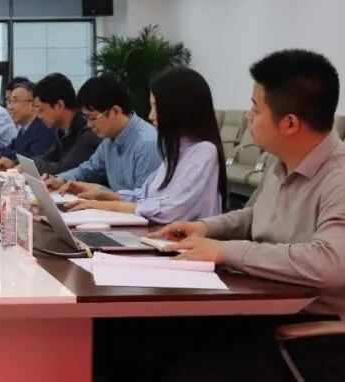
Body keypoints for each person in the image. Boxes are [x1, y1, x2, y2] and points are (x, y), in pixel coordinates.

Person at [97, 50, 345, 382]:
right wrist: (204, 227)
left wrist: (225, 251)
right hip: (262, 304)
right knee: (119, 337)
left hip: (310, 333)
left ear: (289, 124)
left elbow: (330, 263)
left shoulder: (338, 177)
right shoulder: (283, 163)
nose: (248, 117)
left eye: (256, 109)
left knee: (178, 368)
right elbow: (256, 215)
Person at [63, 67, 226, 223]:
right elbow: (146, 195)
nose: (151, 115)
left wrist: (105, 206)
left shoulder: (203, 152)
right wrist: (101, 195)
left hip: (181, 240)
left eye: (156, 107)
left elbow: (170, 211)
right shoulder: (178, 149)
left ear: (179, 109)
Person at [48, 75, 160, 195]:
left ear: (115, 111)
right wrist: (60, 180)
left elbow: (145, 200)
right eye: (86, 118)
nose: (89, 125)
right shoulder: (110, 138)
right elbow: (89, 169)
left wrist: (101, 193)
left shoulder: (147, 144)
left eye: (92, 118)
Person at [19, 73, 100, 175]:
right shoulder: (62, 131)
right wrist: (19, 163)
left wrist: (28, 165)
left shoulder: (88, 131)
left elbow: (65, 169)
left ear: (59, 105)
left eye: (41, 110)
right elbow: (47, 158)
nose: (39, 116)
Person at [0, 78, 56, 166]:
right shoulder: (24, 128)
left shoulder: (44, 128)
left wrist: (3, 155)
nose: (10, 107)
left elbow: (33, 157)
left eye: (15, 101)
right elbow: (12, 148)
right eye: (9, 102)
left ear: (33, 104)